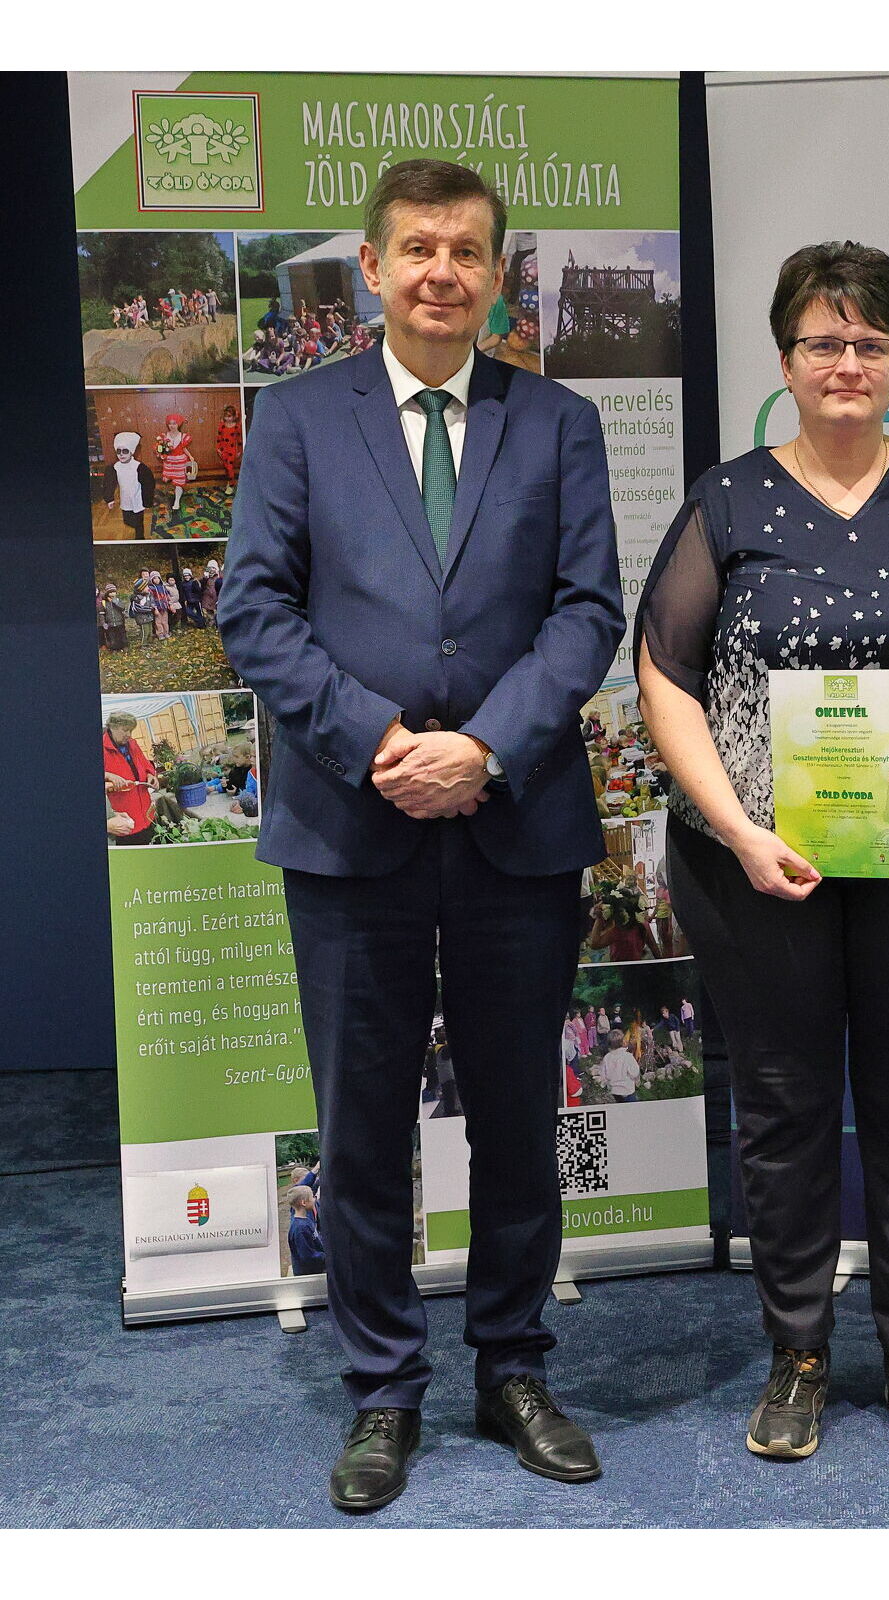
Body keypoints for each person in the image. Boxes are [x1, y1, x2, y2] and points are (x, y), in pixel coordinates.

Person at [219, 158, 623, 1514]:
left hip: (517, 823)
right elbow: (254, 607)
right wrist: (383, 741)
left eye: (465, 251)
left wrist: (486, 748)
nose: (441, 272)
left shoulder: (556, 421)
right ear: (374, 269)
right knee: (362, 1124)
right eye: (417, 250)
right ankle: (384, 1387)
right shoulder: (297, 419)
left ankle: (512, 1366)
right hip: (353, 822)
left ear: (497, 275)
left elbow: (587, 609)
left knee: (518, 1116)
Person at [635, 241, 889, 1460]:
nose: (846, 362)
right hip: (760, 859)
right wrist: (734, 826)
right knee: (781, 1103)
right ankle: (799, 1352)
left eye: (870, 342)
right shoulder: (727, 501)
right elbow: (662, 673)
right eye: (823, 341)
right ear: (785, 360)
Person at [103, 713, 158, 844]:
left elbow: (145, 764)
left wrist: (150, 775)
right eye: (125, 730)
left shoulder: (132, 744)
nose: (129, 734)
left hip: (147, 813)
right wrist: (108, 775)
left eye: (131, 730)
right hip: (125, 819)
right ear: (112, 727)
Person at [103, 431, 155, 540]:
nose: (121, 454)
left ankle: (140, 539)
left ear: (131, 452)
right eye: (119, 451)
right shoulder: (115, 467)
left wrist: (147, 501)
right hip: (125, 499)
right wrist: (109, 499)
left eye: (125, 451)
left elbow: (148, 484)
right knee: (127, 520)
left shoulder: (139, 467)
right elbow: (109, 483)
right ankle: (136, 528)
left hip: (138, 499)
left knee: (138, 523)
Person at [286, 1186, 327, 1276]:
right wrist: (327, 1257)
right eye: (312, 1197)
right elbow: (308, 1256)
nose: (314, 1199)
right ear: (304, 1202)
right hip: (308, 1274)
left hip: (316, 1269)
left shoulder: (306, 1220)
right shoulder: (300, 1229)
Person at [595, 1029, 641, 1103]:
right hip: (627, 1091)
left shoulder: (607, 1057)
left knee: (620, 1104)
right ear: (622, 1042)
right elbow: (634, 1073)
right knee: (631, 1107)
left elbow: (603, 1073)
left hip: (614, 1091)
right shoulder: (627, 1056)